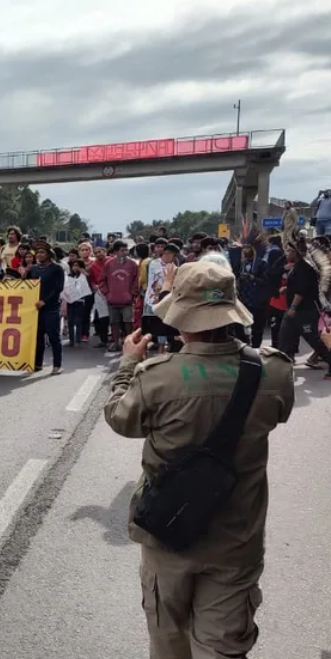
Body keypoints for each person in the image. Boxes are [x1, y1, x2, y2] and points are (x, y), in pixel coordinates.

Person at [104, 261, 295, 659]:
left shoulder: (156, 377)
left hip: (168, 535)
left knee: (168, 640)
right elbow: (279, 414)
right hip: (236, 538)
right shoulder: (274, 372)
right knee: (223, 647)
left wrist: (126, 365)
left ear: (180, 317)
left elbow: (121, 420)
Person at [277, 240, 331, 379]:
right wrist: (287, 289)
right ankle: (282, 370)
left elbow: (301, 291)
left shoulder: (304, 267)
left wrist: (293, 307)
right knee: (284, 339)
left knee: (314, 341)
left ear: (296, 253)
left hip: (304, 311)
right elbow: (298, 286)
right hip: (294, 311)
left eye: (289, 251)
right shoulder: (297, 266)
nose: (286, 253)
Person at [28, 245, 64, 374]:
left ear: (49, 254)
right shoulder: (33, 269)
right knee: (38, 337)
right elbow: (25, 285)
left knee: (53, 337)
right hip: (35, 308)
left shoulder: (57, 269)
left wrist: (45, 301)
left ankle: (57, 365)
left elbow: (58, 288)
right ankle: (38, 363)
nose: (39, 255)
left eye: (42, 252)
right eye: (38, 253)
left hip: (51, 308)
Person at [100, 240, 138, 352]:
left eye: (126, 250)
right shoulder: (109, 264)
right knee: (114, 322)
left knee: (128, 322)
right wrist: (107, 293)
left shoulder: (132, 264)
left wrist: (132, 294)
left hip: (127, 301)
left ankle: (129, 343)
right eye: (122, 250)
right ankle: (116, 343)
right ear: (116, 251)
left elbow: (136, 281)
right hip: (112, 300)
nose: (125, 252)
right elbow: (102, 281)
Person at [61, 259, 92, 347]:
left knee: (78, 320)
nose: (75, 268)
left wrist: (84, 273)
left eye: (77, 266)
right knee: (70, 321)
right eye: (74, 265)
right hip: (70, 301)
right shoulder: (69, 276)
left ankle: (78, 339)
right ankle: (71, 340)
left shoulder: (84, 277)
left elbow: (88, 286)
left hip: (80, 302)